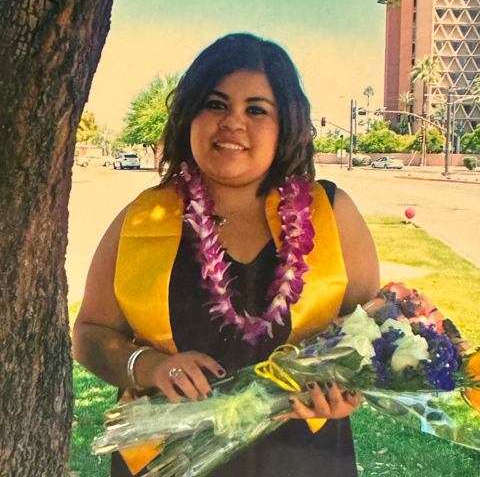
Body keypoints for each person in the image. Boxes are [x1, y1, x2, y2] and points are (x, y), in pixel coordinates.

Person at [72, 33, 380, 477]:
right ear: (190, 116)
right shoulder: (142, 220)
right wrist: (151, 367)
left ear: (285, 124)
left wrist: (350, 390)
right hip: (170, 460)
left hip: (303, 458)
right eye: (215, 104)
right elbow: (89, 333)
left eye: (256, 109)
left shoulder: (330, 214)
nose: (233, 122)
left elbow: (370, 335)